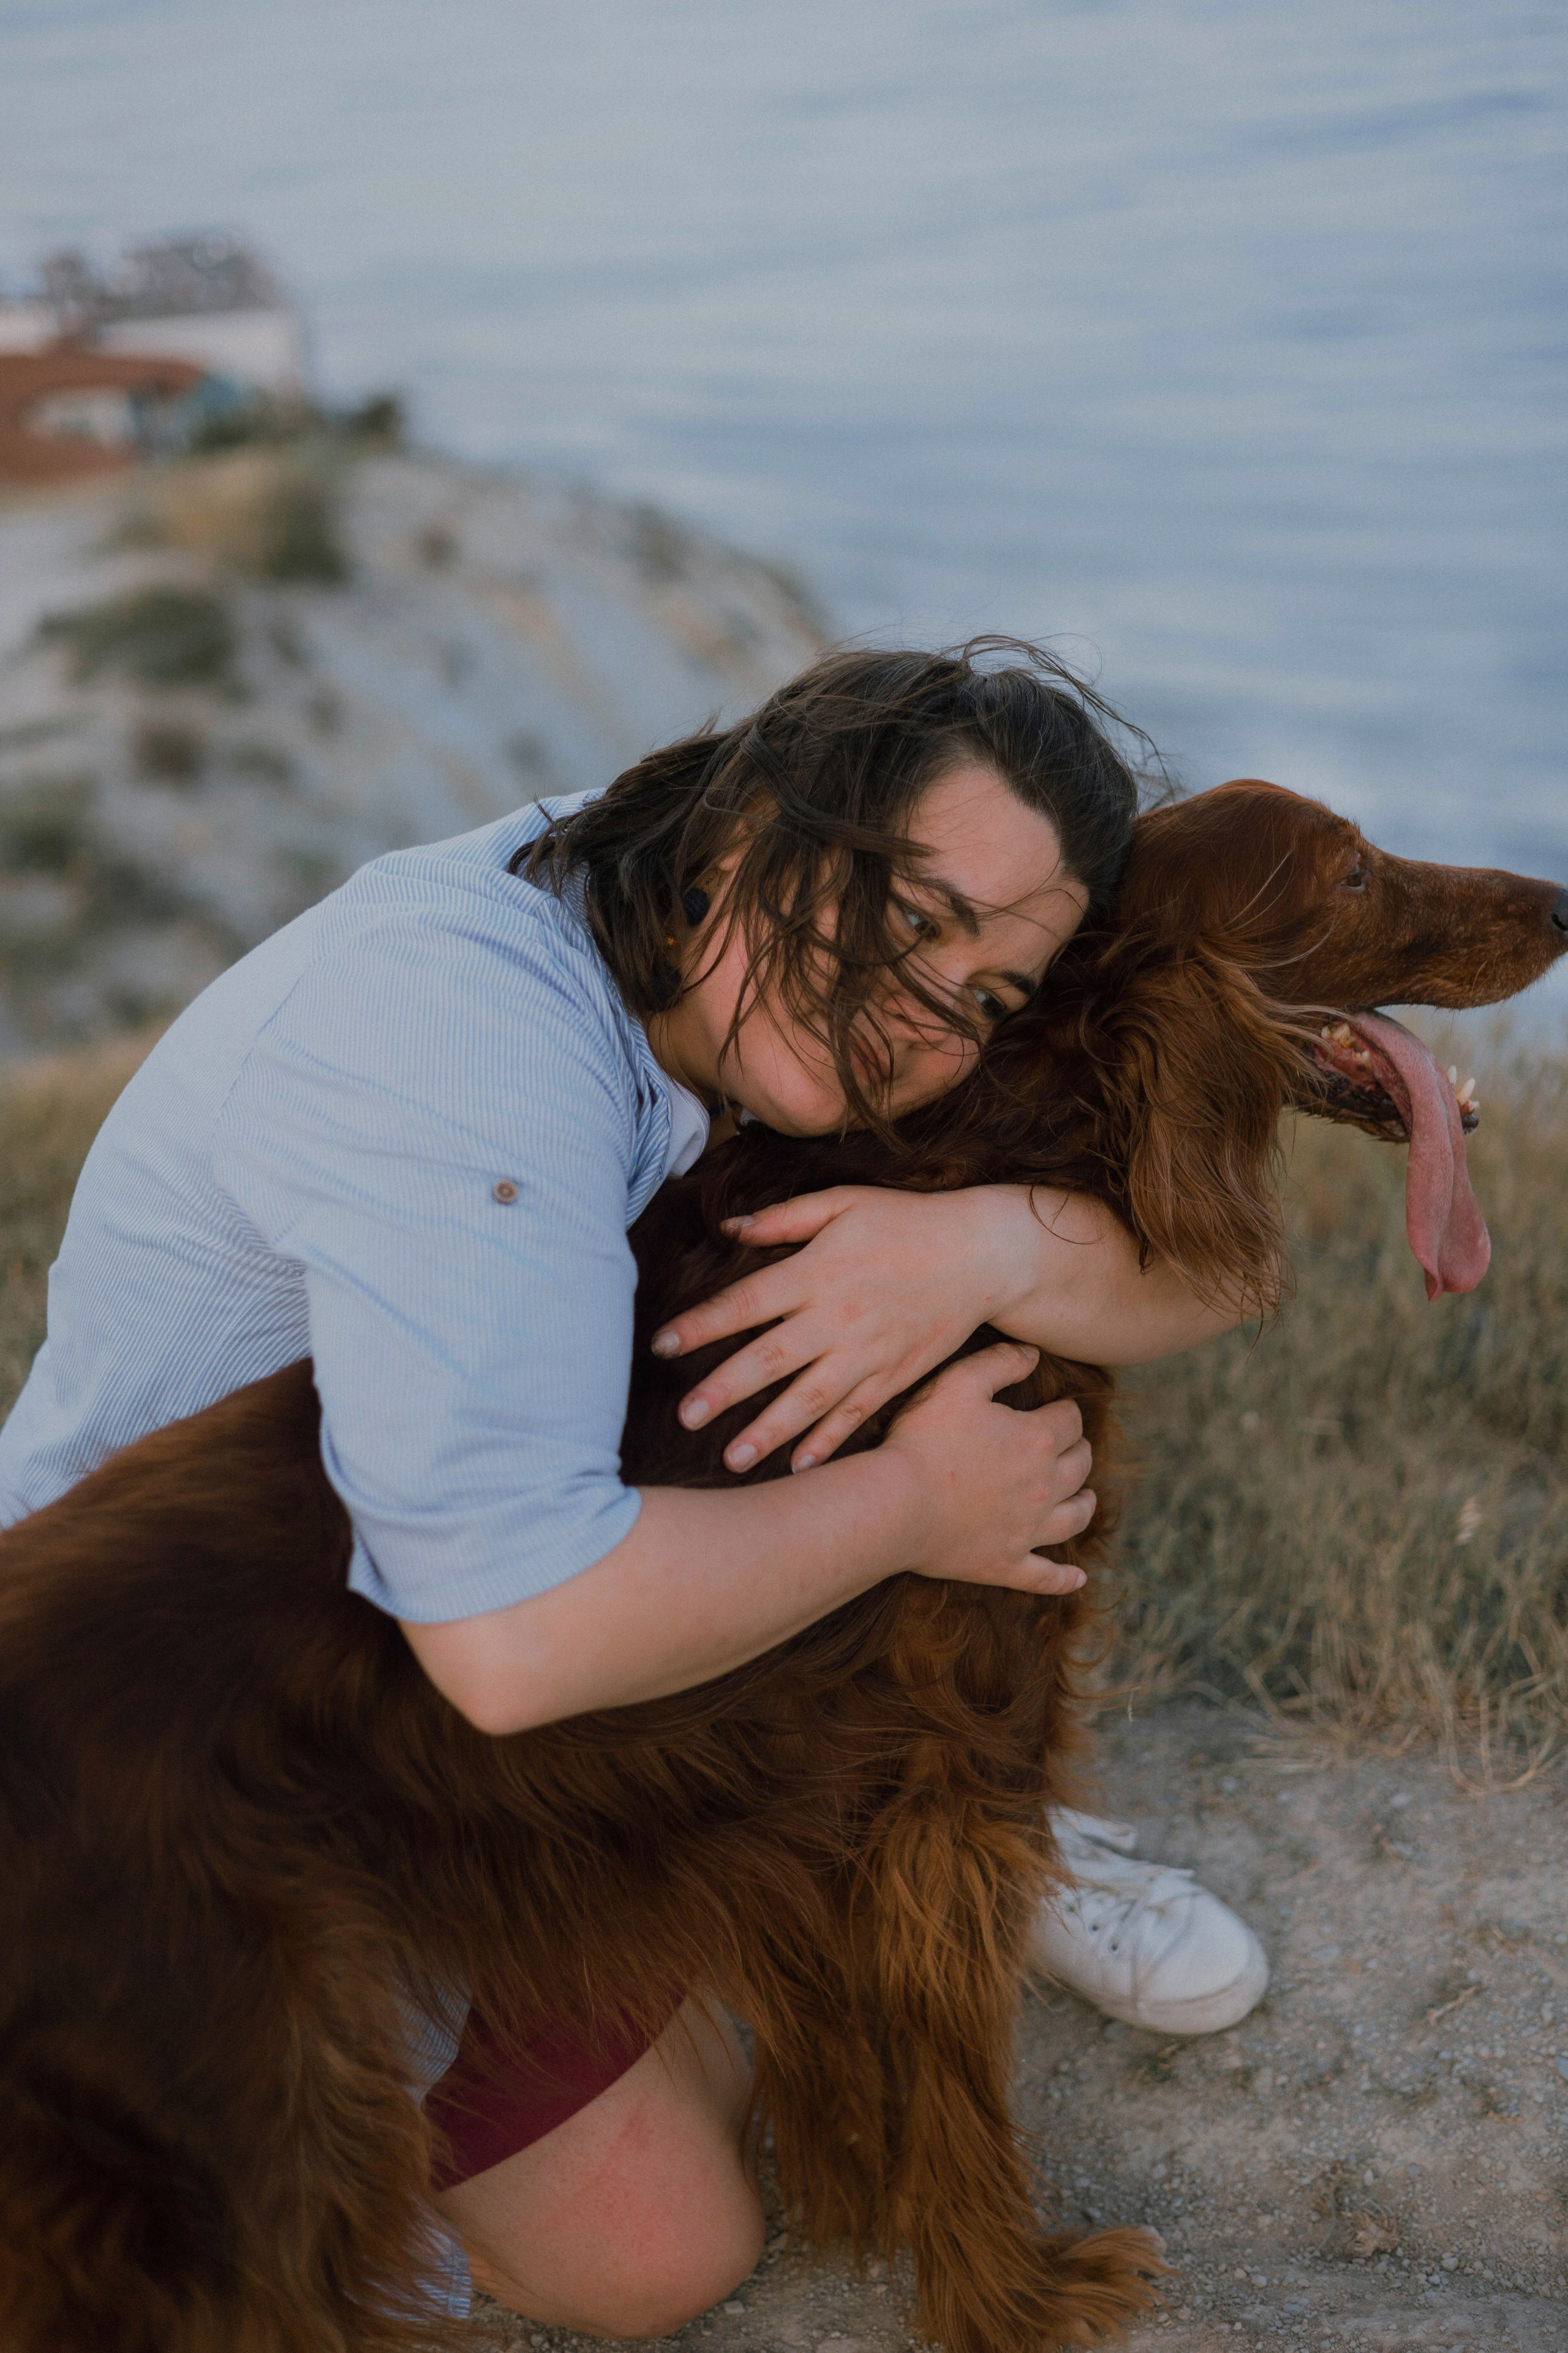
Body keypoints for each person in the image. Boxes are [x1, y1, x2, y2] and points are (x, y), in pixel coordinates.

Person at [0, 641, 1266, 2338]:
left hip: (422, 1701)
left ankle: (916, 1837)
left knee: (677, 2239)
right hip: (168, 1754)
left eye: (986, 994)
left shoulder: (713, 930)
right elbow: (512, 1638)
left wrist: (971, 1241)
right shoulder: (468, 1048)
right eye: (918, 915)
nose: (931, 1005)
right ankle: (829, 1848)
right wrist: (919, 1504)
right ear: (763, 823)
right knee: (644, 2256)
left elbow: (1216, 1283)